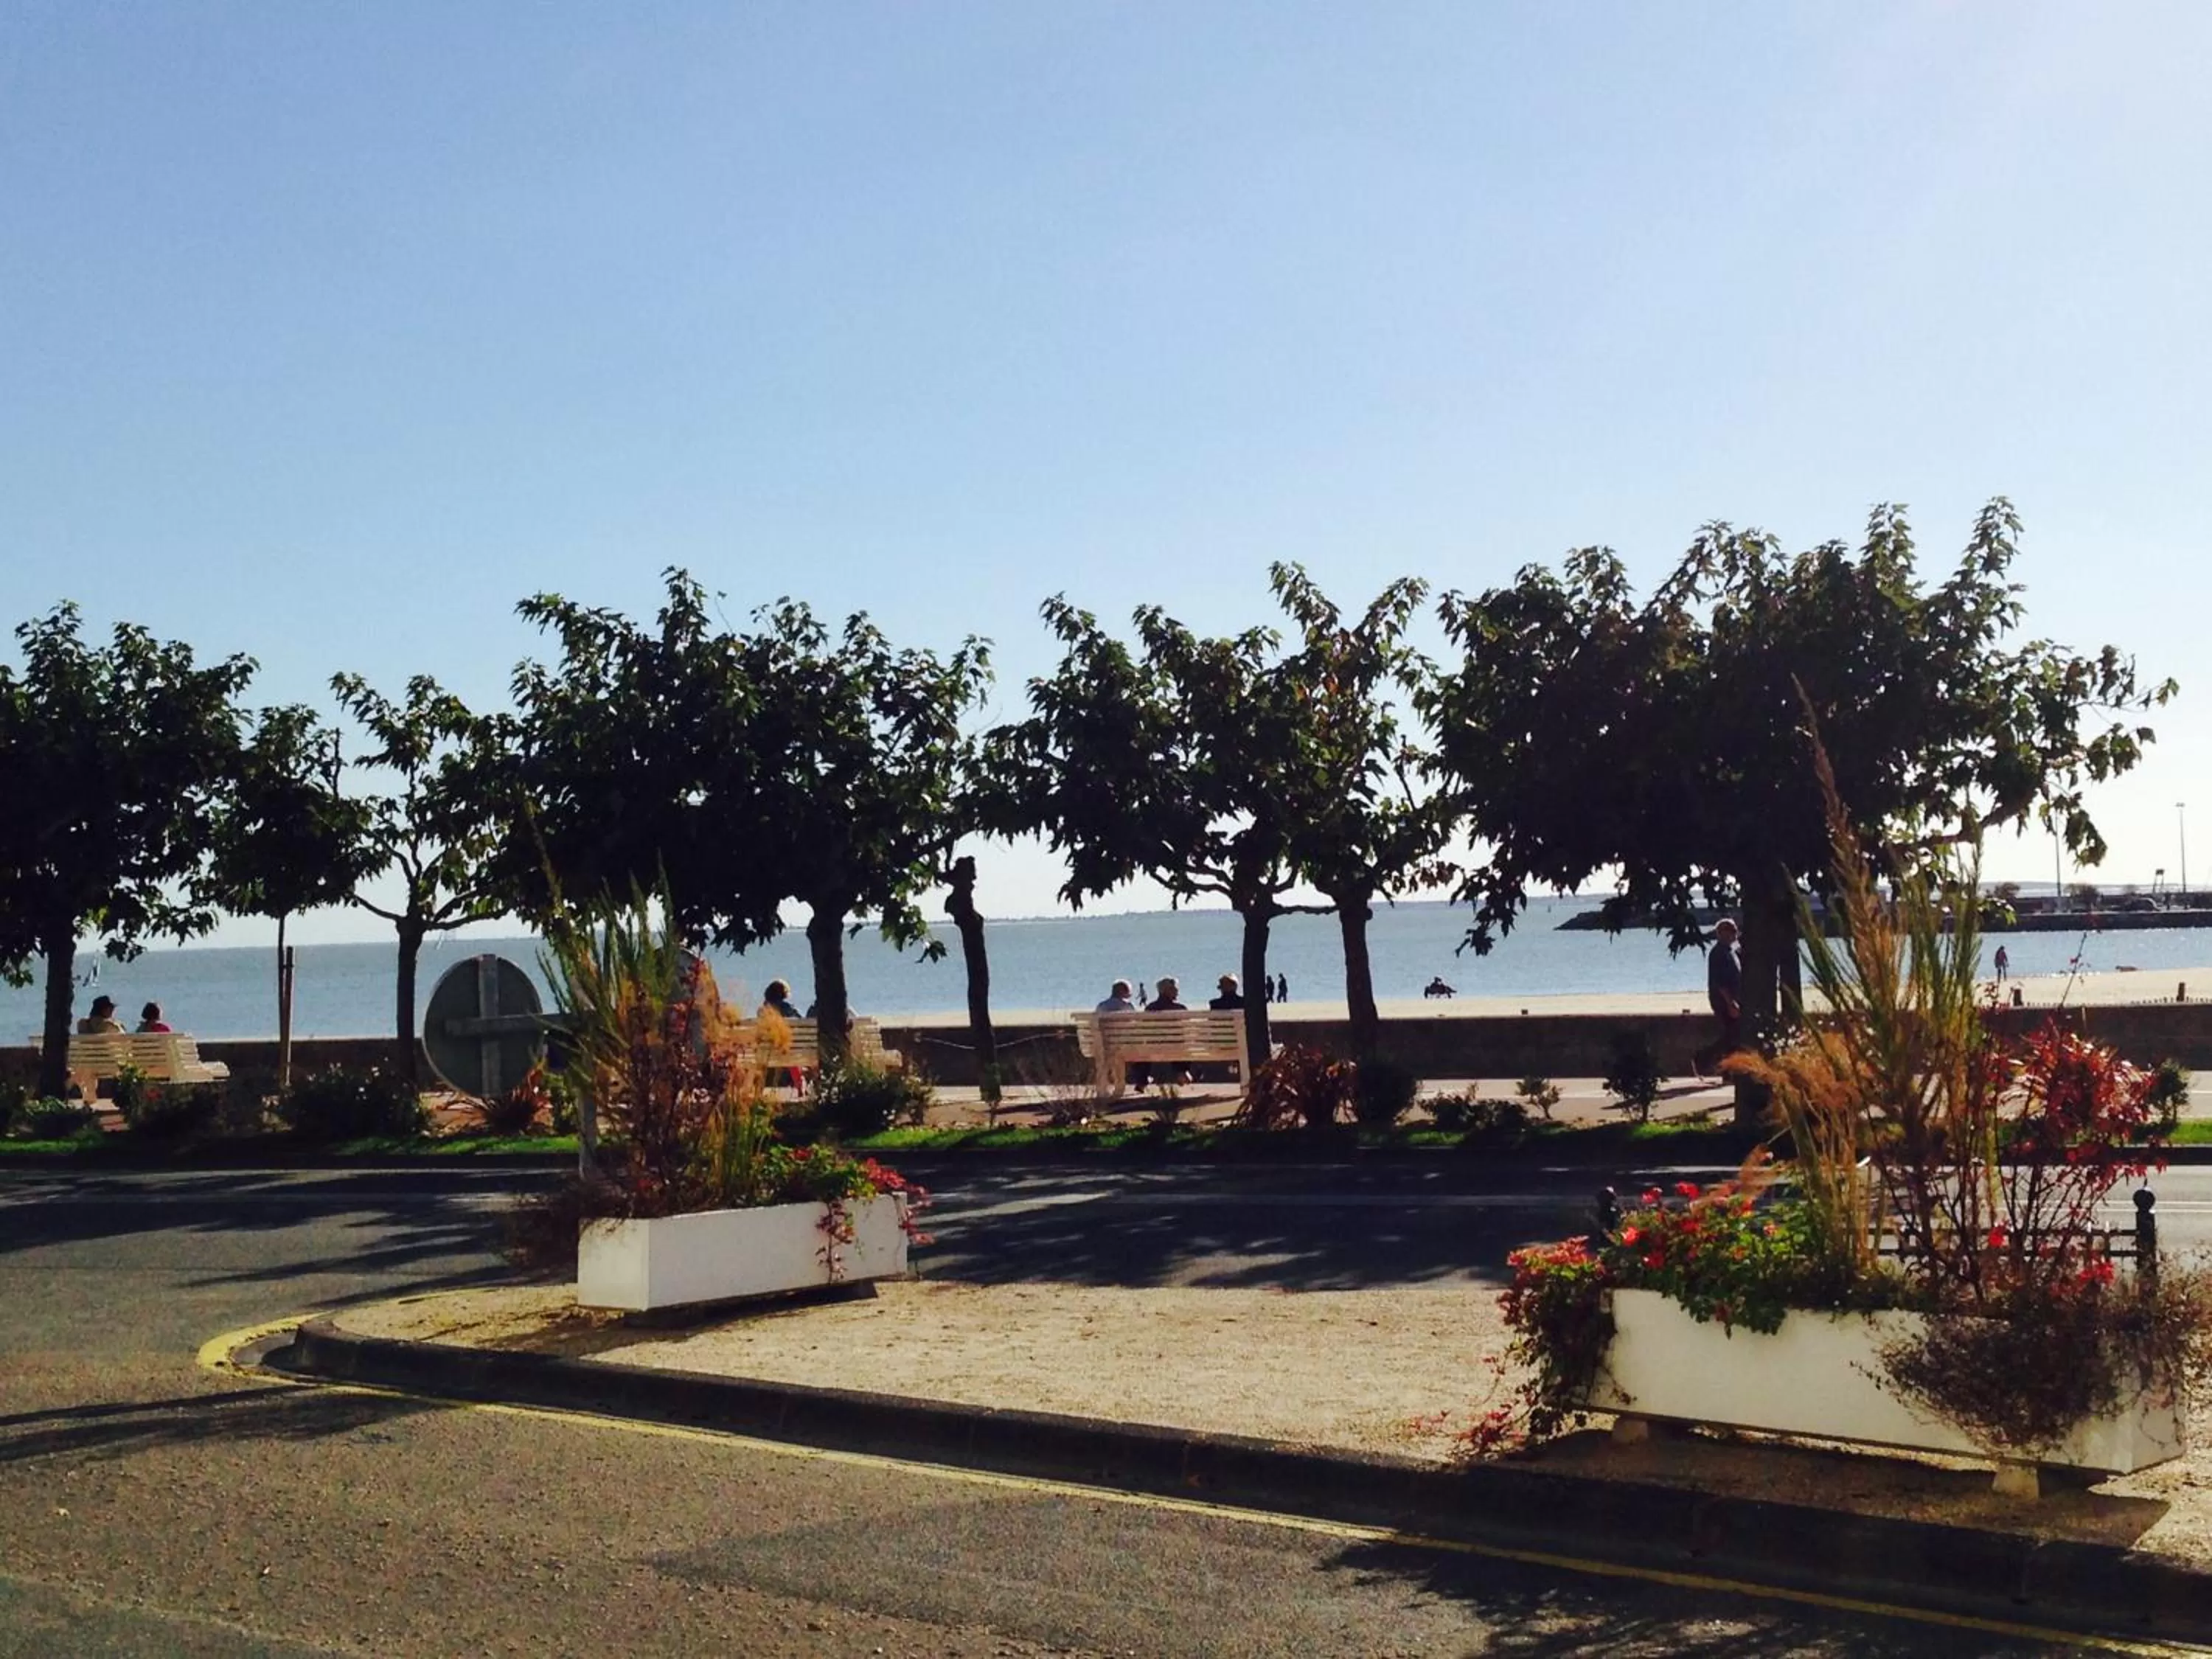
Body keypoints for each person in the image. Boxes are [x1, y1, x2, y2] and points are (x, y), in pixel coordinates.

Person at [1695, 918, 1743, 1077]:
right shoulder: (1718, 953)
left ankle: (1728, 1071)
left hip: (1732, 999)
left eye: (1735, 931)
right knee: (1732, 1034)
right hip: (1723, 1001)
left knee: (1733, 1035)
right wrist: (1730, 1003)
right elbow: (1720, 982)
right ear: (1721, 933)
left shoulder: (1731, 952)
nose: (1735, 934)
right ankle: (1703, 1058)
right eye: (1732, 931)